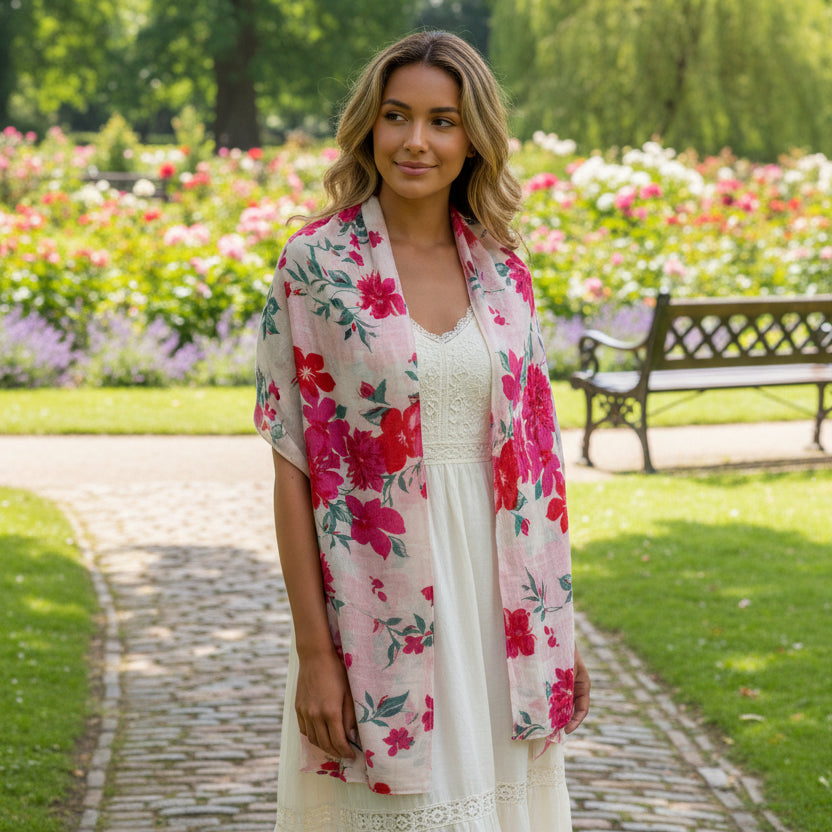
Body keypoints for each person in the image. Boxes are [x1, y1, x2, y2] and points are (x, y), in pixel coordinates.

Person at [255, 30, 590, 832]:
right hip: (377, 601)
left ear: (472, 136)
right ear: (369, 125)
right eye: (397, 116)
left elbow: (538, 470)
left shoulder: (505, 271)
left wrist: (559, 634)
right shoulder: (317, 267)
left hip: (502, 606)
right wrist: (315, 655)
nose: (416, 140)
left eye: (442, 120)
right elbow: (294, 470)